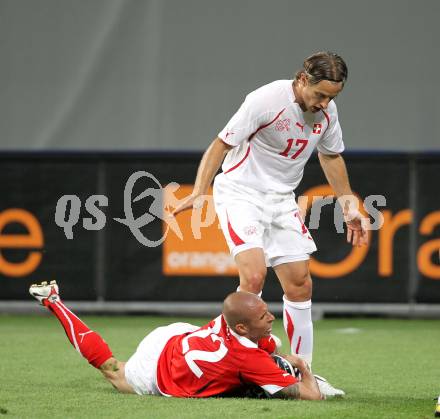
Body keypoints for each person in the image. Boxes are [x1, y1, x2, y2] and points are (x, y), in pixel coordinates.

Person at [172, 51, 369, 396]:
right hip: (240, 193)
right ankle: (240, 368)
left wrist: (348, 203)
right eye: (320, 94)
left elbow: (331, 154)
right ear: (303, 79)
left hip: (280, 200)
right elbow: (221, 144)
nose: (325, 103)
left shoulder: (326, 111)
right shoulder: (266, 100)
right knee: (253, 276)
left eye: (332, 97)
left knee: (300, 284)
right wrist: (200, 190)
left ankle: (305, 374)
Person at [29, 280, 322, 400]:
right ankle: (53, 301)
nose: (272, 318)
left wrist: (280, 360)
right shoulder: (252, 355)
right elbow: (312, 396)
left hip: (174, 334)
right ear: (243, 327)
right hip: (157, 370)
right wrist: (304, 370)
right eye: (264, 317)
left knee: (260, 356)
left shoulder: (230, 318)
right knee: (112, 369)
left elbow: (262, 343)